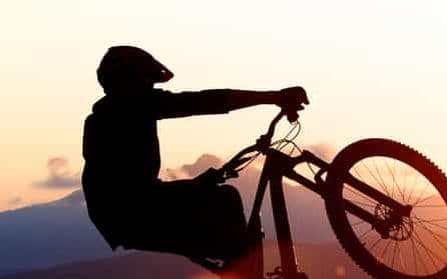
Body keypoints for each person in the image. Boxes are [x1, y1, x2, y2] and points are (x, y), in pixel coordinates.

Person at [81, 45, 309, 264]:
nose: (151, 88)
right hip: (133, 217)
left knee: (224, 216)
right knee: (226, 200)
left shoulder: (108, 116)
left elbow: (133, 191)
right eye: (146, 81)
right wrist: (273, 97)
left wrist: (197, 184)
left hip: (122, 218)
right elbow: (203, 101)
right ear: (128, 81)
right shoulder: (128, 111)